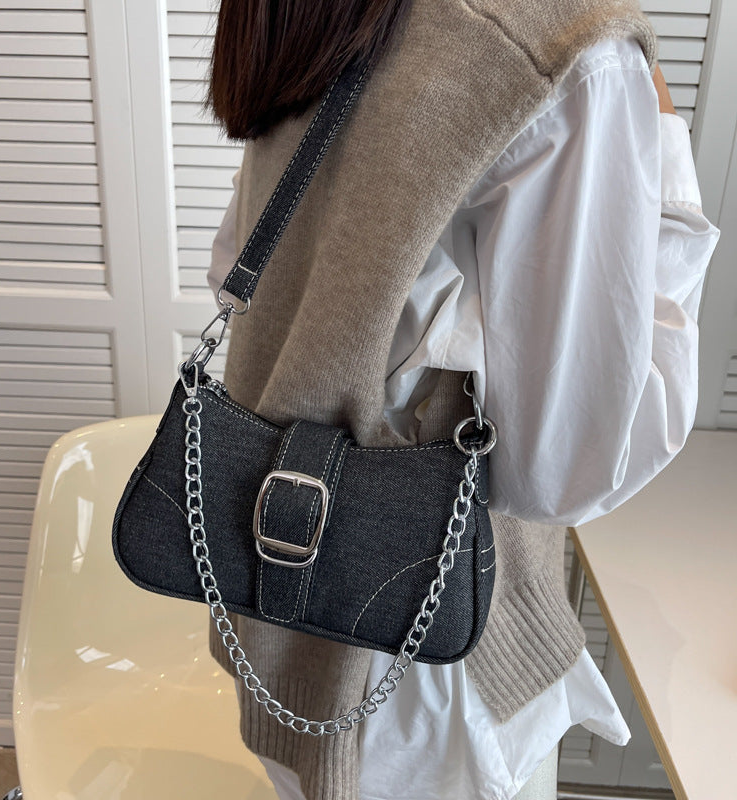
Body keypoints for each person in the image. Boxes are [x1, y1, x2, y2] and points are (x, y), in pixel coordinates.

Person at [204, 1, 721, 798]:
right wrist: (667, 153)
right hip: (427, 685)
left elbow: (235, 266)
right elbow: (567, 467)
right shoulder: (566, 45)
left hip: (273, 611)